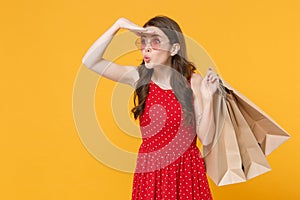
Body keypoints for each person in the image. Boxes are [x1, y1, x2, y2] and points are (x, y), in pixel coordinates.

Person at [82, 16, 219, 200]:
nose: (146, 48)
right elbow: (90, 61)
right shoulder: (139, 78)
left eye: (155, 41)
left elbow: (207, 137)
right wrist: (118, 25)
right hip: (151, 172)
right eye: (144, 41)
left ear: (174, 49)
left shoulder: (193, 81)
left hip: (186, 171)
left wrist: (208, 97)